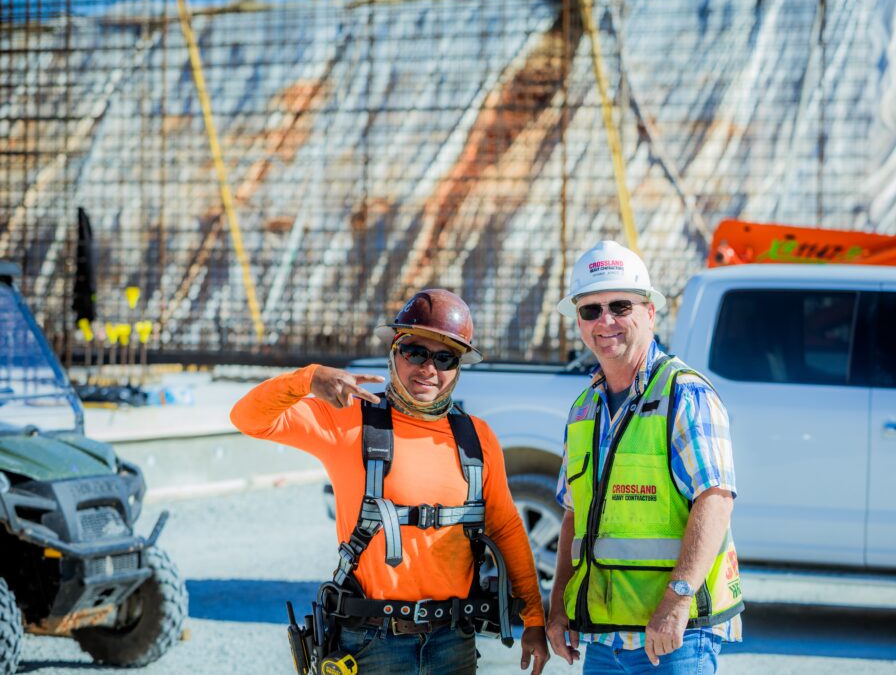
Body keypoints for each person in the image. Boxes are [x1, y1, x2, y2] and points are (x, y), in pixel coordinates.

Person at [230, 289, 549, 674]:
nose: (429, 368)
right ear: (395, 351)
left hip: (453, 642)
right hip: (371, 643)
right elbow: (248, 418)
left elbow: (506, 528)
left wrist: (534, 619)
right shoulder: (349, 419)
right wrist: (308, 378)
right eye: (415, 352)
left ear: (458, 367)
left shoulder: (476, 438)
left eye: (444, 358)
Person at [544, 241, 743, 674]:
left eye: (620, 305)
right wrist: (558, 606)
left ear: (650, 312)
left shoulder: (685, 394)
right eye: (590, 310)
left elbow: (716, 499)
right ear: (578, 321)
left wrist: (676, 600)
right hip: (604, 636)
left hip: (676, 634)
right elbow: (573, 517)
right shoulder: (584, 409)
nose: (605, 321)